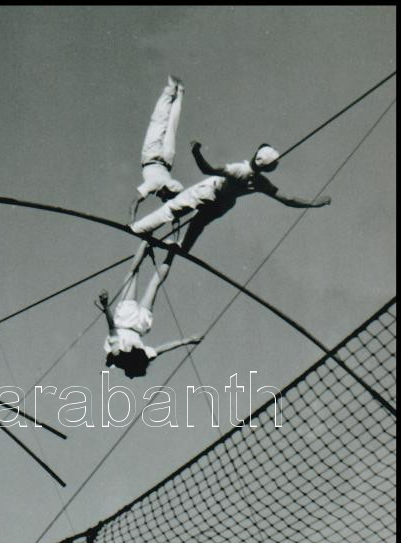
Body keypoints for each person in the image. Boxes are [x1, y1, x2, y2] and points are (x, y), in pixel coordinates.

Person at [130, 142, 331, 252]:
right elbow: (288, 200)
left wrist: (196, 152)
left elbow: (207, 170)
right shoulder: (261, 183)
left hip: (210, 192)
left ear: (255, 156)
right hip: (223, 205)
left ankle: (139, 228)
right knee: (198, 223)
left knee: (172, 209)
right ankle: (184, 247)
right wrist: (314, 203)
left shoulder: (238, 169)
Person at [99, 241, 203, 379]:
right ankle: (155, 246)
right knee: (140, 278)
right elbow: (161, 349)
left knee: (142, 279)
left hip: (131, 321)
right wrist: (186, 341)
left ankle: (164, 250)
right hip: (131, 321)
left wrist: (186, 341)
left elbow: (112, 328)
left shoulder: (119, 353)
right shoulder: (137, 357)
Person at [129, 76, 185, 224]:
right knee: (159, 122)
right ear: (166, 190)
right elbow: (135, 200)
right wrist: (131, 222)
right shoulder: (154, 184)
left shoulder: (168, 183)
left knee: (170, 126)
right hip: (152, 156)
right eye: (166, 197)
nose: (164, 199)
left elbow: (175, 216)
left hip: (166, 159)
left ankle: (178, 93)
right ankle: (172, 90)